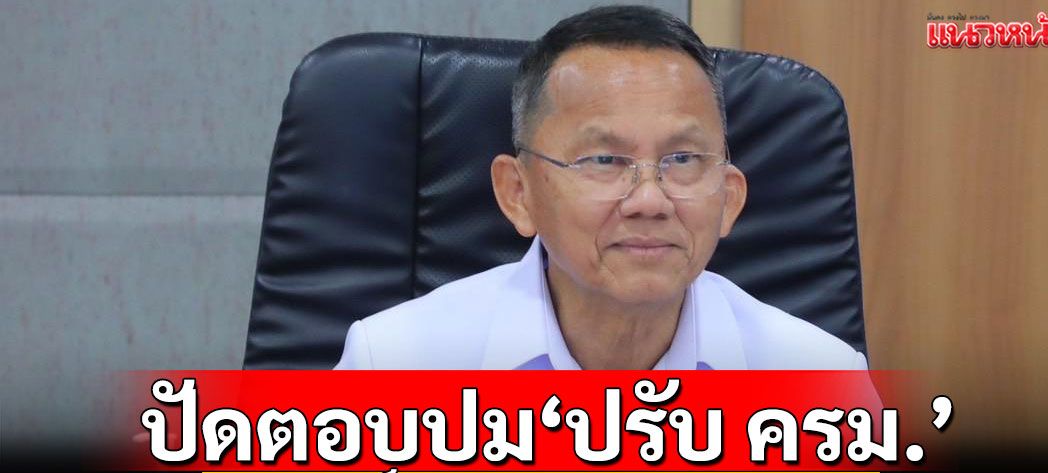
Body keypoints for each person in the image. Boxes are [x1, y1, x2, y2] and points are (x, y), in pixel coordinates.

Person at [334, 5, 868, 371]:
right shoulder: (396, 365)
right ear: (518, 194)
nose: (650, 201)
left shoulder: (816, 380)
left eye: (682, 159)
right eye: (604, 160)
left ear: (729, 198)